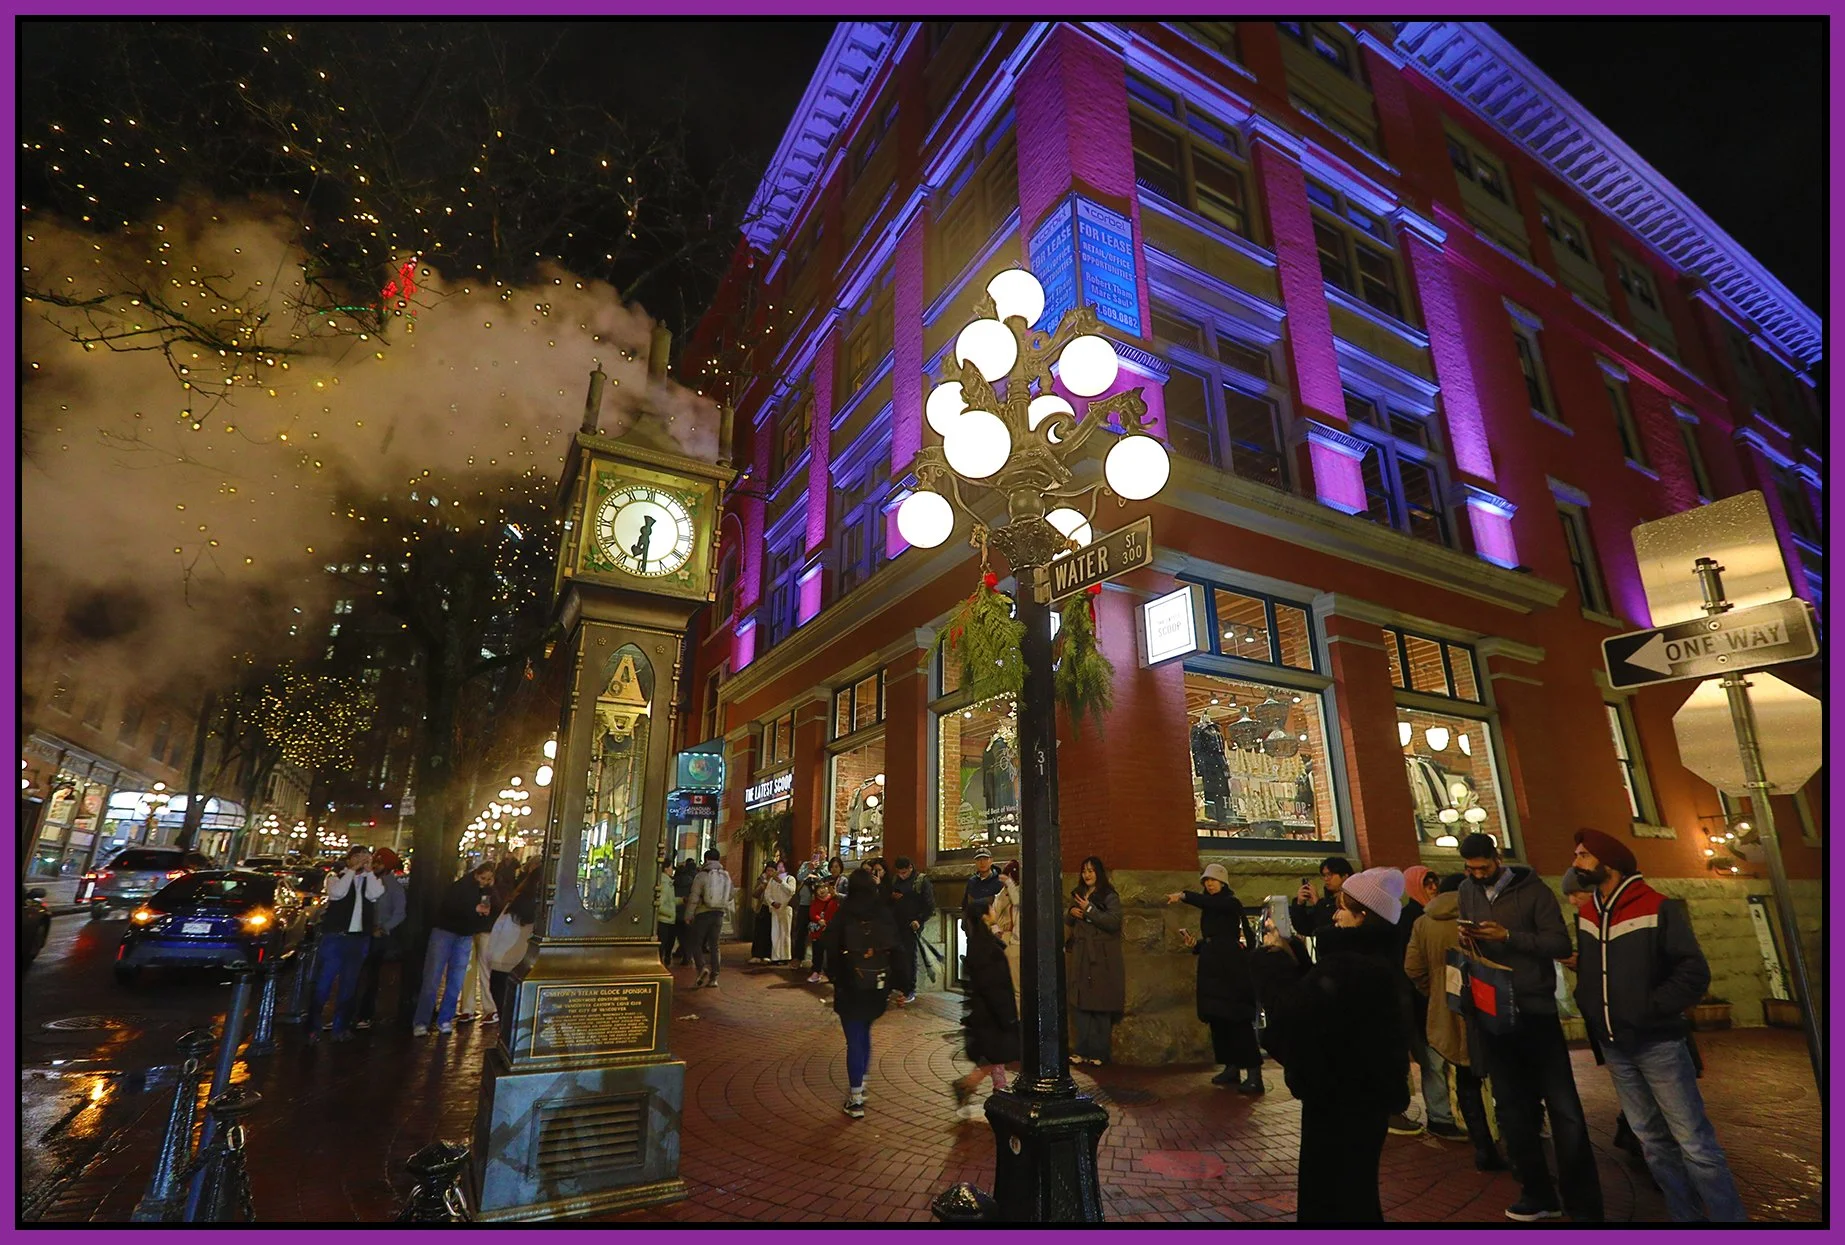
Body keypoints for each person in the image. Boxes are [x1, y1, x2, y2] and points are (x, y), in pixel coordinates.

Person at [1569, 829, 1746, 1222]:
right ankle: (1685, 1219)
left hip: (1657, 1043)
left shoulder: (1656, 907)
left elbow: (1693, 971)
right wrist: (1592, 1006)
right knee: (1651, 1142)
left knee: (1694, 1142)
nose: (1576, 863)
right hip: (1616, 1045)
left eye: (1583, 856)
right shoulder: (1586, 914)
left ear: (1607, 862)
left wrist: (1649, 1008)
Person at [1457, 832, 1602, 1223]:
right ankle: (1537, 1193)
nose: (1477, 874)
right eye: (1470, 869)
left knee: (1563, 1107)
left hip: (1534, 1008)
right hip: (1494, 1011)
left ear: (1497, 858)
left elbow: (1557, 943)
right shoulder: (1467, 891)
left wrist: (1508, 936)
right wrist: (1468, 937)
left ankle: (1582, 1201)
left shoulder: (1533, 891)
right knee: (1511, 1108)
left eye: (1482, 867)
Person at [1253, 867, 1411, 1223]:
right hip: (1365, 1095)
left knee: (1332, 1194)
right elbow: (1324, 997)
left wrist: (1271, 961)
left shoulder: (1349, 965)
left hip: (1338, 1095)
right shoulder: (1375, 960)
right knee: (1356, 1189)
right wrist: (1295, 952)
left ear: (1363, 916)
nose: (1335, 913)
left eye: (1343, 907)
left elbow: (1295, 1013)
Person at [1404, 872, 1506, 1170]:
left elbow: (1412, 968)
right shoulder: (1481, 916)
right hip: (1489, 1004)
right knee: (1502, 1073)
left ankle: (1482, 1145)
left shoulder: (1422, 923)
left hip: (1448, 1008)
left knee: (1465, 1076)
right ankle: (1513, 1135)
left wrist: (1435, 991)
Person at [1166, 862, 1263, 1093]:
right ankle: (1231, 1066)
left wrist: (1183, 895)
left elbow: (1217, 911)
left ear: (1223, 882)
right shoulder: (1212, 906)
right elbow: (1217, 936)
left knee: (1237, 1019)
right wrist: (1198, 944)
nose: (1209, 884)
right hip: (1213, 968)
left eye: (1213, 880)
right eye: (1206, 881)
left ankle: (1253, 1072)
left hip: (1230, 971)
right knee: (1218, 1019)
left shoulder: (1229, 903)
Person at [819, 867, 897, 1119]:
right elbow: (897, 947)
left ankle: (855, 1097)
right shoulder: (883, 912)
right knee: (865, 1032)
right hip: (877, 986)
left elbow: (829, 945)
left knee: (854, 1038)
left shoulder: (845, 913)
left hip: (850, 984)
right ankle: (861, 1085)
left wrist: (834, 975)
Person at [307, 845, 385, 1043]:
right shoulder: (335, 877)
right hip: (336, 937)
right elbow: (337, 894)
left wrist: (368, 873)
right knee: (324, 983)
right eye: (358, 857)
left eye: (366, 857)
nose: (362, 861)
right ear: (349, 859)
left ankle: (340, 1027)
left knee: (349, 985)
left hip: (358, 939)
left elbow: (376, 893)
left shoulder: (369, 880)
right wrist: (351, 871)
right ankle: (313, 1027)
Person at [951, 897, 1020, 1118]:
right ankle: (969, 1085)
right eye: (990, 908)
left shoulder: (979, 944)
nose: (994, 910)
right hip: (993, 1013)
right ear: (984, 916)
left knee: (995, 1056)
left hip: (985, 1012)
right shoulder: (988, 950)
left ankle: (997, 1090)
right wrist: (1008, 1016)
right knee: (995, 1055)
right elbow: (996, 987)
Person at [414, 861, 497, 1036]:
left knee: (455, 979)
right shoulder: (461, 887)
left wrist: (482, 912)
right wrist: (474, 910)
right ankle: (424, 1021)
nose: (485, 881)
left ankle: (442, 1019)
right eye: (483, 878)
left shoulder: (484, 891)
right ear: (476, 875)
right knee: (434, 978)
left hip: (463, 934)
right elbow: (450, 907)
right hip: (447, 932)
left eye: (488, 879)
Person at [1065, 855, 1124, 1065]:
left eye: (1091, 871)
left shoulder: (1109, 895)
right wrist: (1071, 912)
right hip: (1081, 955)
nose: (1087, 875)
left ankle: (1099, 1052)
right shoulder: (1079, 893)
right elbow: (1070, 917)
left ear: (1098, 872)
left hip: (1100, 956)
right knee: (1081, 1002)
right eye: (1084, 871)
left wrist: (1089, 910)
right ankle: (1081, 1050)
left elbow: (1113, 921)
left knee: (1100, 1003)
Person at [352, 847, 407, 1031]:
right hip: (361, 932)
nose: (375, 865)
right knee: (356, 973)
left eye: (379, 862)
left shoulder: (394, 887)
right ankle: (351, 1013)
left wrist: (383, 928)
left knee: (370, 976)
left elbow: (400, 913)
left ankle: (364, 1014)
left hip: (377, 937)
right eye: (374, 862)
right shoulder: (367, 879)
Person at [488, 863, 540, 1019]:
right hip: (527, 968)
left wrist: (491, 958)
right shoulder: (546, 911)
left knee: (505, 1017)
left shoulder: (513, 905)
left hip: (501, 965)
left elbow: (497, 931)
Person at [885, 856, 936, 1004]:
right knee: (895, 957)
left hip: (912, 924)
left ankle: (909, 989)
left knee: (908, 957)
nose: (902, 875)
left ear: (910, 868)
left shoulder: (921, 881)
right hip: (896, 923)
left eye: (904, 872)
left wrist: (919, 920)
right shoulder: (896, 880)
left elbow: (929, 905)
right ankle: (898, 986)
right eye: (899, 872)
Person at [685, 848, 733, 989]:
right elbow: (730, 895)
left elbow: (694, 897)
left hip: (702, 913)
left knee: (696, 943)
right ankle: (714, 977)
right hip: (718, 914)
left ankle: (701, 969)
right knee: (715, 945)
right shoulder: (725, 876)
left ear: (706, 859)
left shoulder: (701, 875)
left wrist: (688, 915)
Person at [1289, 856, 1353, 940]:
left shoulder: (1352, 901)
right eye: (1324, 875)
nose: (1326, 879)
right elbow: (1306, 928)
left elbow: (1332, 925)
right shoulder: (1325, 902)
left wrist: (1317, 903)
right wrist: (1299, 905)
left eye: (1330, 875)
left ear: (1345, 876)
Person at [990, 858, 1023, 1009]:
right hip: (1002, 940)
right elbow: (992, 916)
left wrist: (1010, 884)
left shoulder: (1019, 893)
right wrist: (996, 931)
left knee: (1016, 986)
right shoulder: (1001, 894)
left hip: (1015, 942)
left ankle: (1017, 1020)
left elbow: (1017, 902)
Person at [793, 849, 825, 968]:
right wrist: (810, 868)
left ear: (825, 854)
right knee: (801, 930)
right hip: (805, 903)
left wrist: (817, 872)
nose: (818, 855)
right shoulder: (806, 865)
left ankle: (817, 963)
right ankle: (798, 958)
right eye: (815, 852)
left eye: (821, 852)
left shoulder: (826, 866)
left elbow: (826, 879)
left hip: (819, 904)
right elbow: (800, 877)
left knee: (818, 932)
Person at [806, 878, 839, 984]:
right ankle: (816, 972)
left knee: (831, 954)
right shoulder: (814, 902)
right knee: (817, 953)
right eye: (819, 888)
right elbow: (812, 913)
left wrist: (828, 923)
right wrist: (818, 920)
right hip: (818, 932)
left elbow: (835, 914)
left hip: (830, 931)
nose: (822, 890)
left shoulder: (833, 900)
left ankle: (832, 974)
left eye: (824, 887)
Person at [765, 860, 797, 966]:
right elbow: (767, 893)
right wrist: (772, 902)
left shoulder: (790, 879)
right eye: (778, 866)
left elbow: (791, 891)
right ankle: (775, 956)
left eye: (782, 866)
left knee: (785, 933)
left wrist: (781, 882)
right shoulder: (772, 881)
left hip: (786, 908)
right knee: (775, 933)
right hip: (775, 909)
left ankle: (785, 956)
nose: (780, 869)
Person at [671, 857, 698, 966]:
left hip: (675, 911)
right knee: (687, 935)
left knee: (676, 935)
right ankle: (687, 955)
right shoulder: (693, 883)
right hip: (687, 911)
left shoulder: (673, 883)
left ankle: (670, 954)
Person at [748, 864, 775, 964]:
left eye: (772, 870)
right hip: (762, 907)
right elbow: (755, 894)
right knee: (759, 932)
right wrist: (763, 885)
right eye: (768, 870)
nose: (770, 873)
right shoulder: (761, 879)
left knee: (769, 932)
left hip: (772, 908)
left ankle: (767, 954)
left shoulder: (777, 881)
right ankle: (756, 954)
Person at [655, 857, 679, 967]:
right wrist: (670, 913)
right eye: (670, 867)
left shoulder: (667, 882)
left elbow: (669, 900)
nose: (672, 869)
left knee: (664, 945)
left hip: (666, 919)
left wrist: (680, 900)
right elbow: (660, 903)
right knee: (664, 945)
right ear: (665, 869)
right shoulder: (665, 883)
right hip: (665, 920)